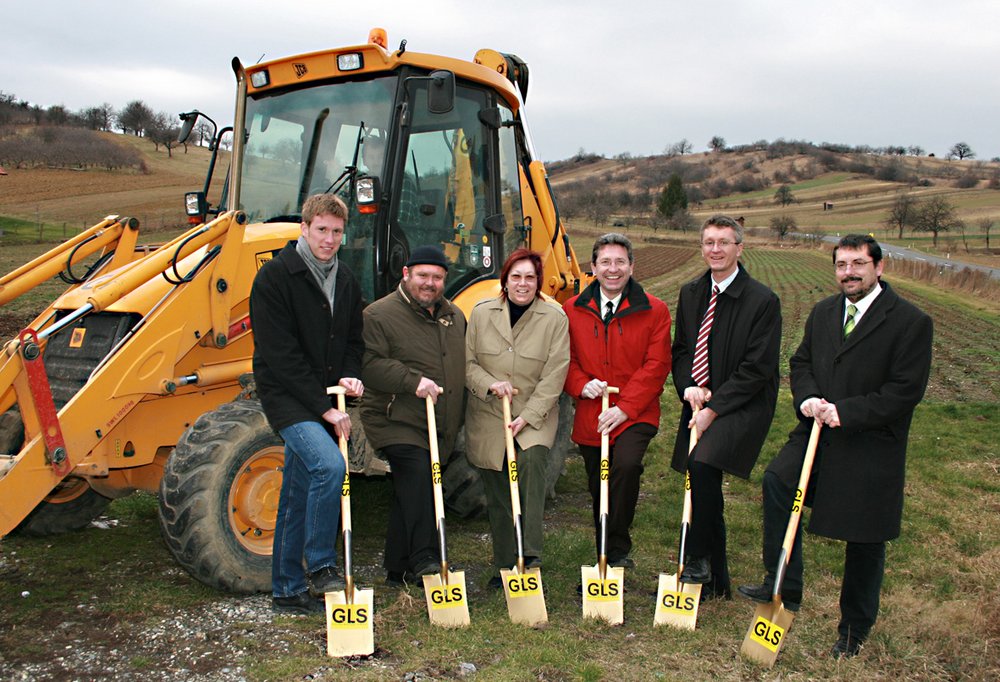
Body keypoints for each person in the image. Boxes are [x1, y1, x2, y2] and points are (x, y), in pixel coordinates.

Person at [739, 234, 933, 658]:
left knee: (865, 538)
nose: (849, 272)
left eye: (858, 264)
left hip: (869, 443)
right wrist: (807, 398)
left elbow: (904, 391)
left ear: (879, 268)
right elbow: (802, 361)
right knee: (777, 482)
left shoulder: (909, 322)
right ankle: (783, 585)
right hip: (817, 434)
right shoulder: (825, 312)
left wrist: (846, 411)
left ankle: (853, 629)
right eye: (842, 264)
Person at [249, 193, 365, 615]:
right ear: (304, 228)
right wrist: (326, 409)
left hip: (324, 396)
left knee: (297, 494)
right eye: (321, 230)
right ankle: (320, 564)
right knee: (329, 465)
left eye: (336, 232)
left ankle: (287, 591)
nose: (329, 239)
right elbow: (280, 356)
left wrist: (350, 376)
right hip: (287, 395)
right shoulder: (276, 278)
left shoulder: (347, 280)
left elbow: (354, 340)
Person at [670, 215, 781, 601]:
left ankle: (698, 557)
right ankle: (718, 582)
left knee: (700, 465)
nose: (715, 250)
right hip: (699, 398)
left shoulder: (762, 300)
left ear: (739, 248)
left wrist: (715, 409)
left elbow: (757, 368)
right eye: (709, 242)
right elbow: (683, 349)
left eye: (723, 242)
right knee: (703, 479)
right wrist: (687, 387)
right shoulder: (691, 292)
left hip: (744, 402)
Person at [563, 233, 672, 569]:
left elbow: (656, 366)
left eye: (620, 262)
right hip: (591, 414)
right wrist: (581, 385)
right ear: (593, 267)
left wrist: (625, 408)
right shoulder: (571, 311)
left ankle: (617, 548)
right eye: (605, 262)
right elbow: (563, 361)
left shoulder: (655, 310)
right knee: (599, 484)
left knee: (625, 466)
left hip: (636, 413)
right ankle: (605, 551)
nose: (613, 269)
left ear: (632, 266)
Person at [360, 245, 466, 586]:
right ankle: (425, 558)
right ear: (406, 275)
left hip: (437, 422)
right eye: (422, 275)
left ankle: (397, 566)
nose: (429, 283)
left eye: (437, 277)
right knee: (420, 475)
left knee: (414, 485)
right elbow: (370, 365)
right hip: (394, 417)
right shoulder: (378, 315)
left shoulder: (455, 316)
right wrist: (412, 381)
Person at [465, 249, 570, 587]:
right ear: (505, 281)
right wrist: (489, 384)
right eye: (516, 277)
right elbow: (467, 365)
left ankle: (531, 553)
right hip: (489, 413)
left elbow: (556, 374)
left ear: (538, 282)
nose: (523, 284)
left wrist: (529, 416)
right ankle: (505, 564)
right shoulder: (481, 314)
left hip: (534, 414)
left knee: (530, 466)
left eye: (530, 277)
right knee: (497, 490)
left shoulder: (554, 317)